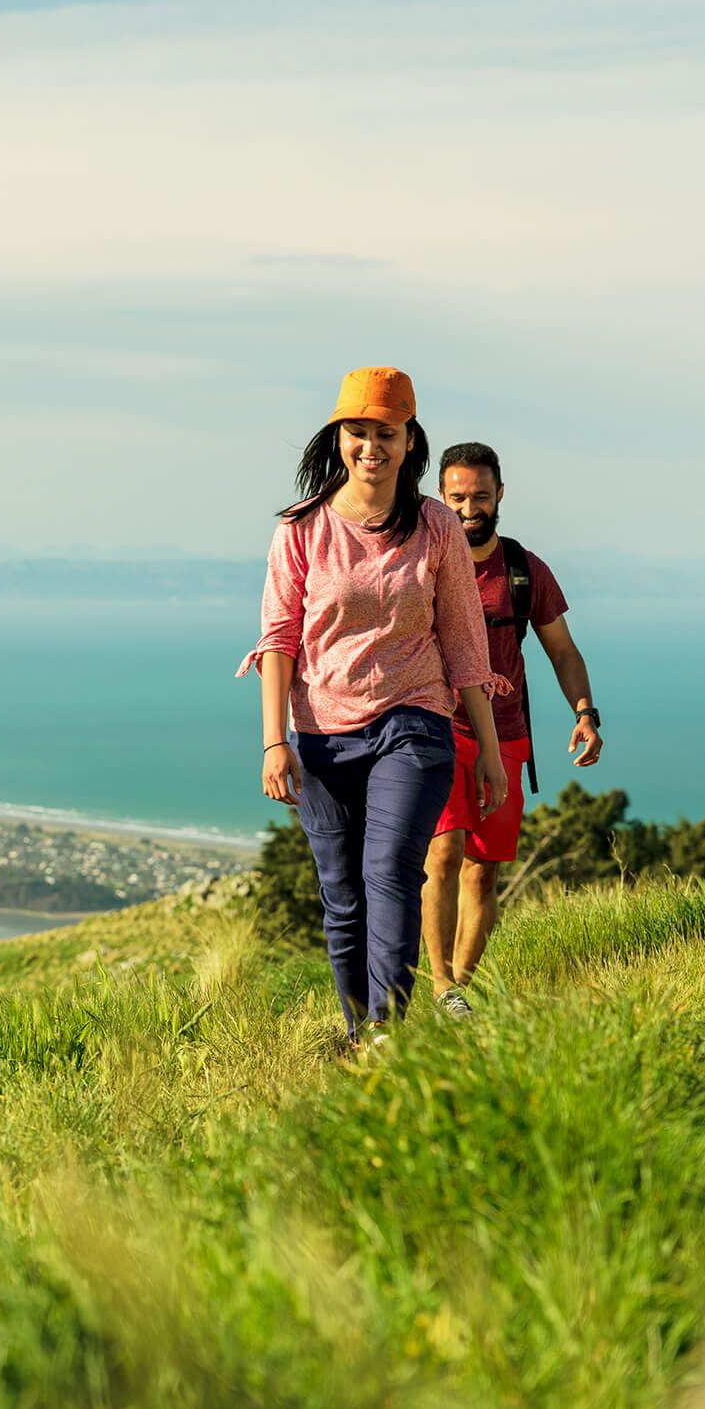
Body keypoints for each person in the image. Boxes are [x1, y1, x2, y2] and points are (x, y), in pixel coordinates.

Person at [240, 368, 511, 1048]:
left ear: (408, 437)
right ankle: (359, 1030)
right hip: (322, 735)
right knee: (342, 892)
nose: (371, 447)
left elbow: (464, 642)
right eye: (358, 432)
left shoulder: (436, 527)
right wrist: (275, 743)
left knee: (390, 869)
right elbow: (278, 640)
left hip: (413, 719)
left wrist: (490, 753)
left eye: (385, 433)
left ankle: (389, 1028)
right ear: (339, 438)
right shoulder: (300, 532)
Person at [419, 441, 601, 1015]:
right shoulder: (424, 562)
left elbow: (564, 652)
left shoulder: (524, 570)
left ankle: (460, 998)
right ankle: (439, 984)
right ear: (440, 500)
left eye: (479, 496)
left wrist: (585, 713)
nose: (468, 507)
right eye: (456, 497)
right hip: (438, 728)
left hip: (507, 735)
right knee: (442, 853)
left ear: (500, 495)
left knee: (483, 873)